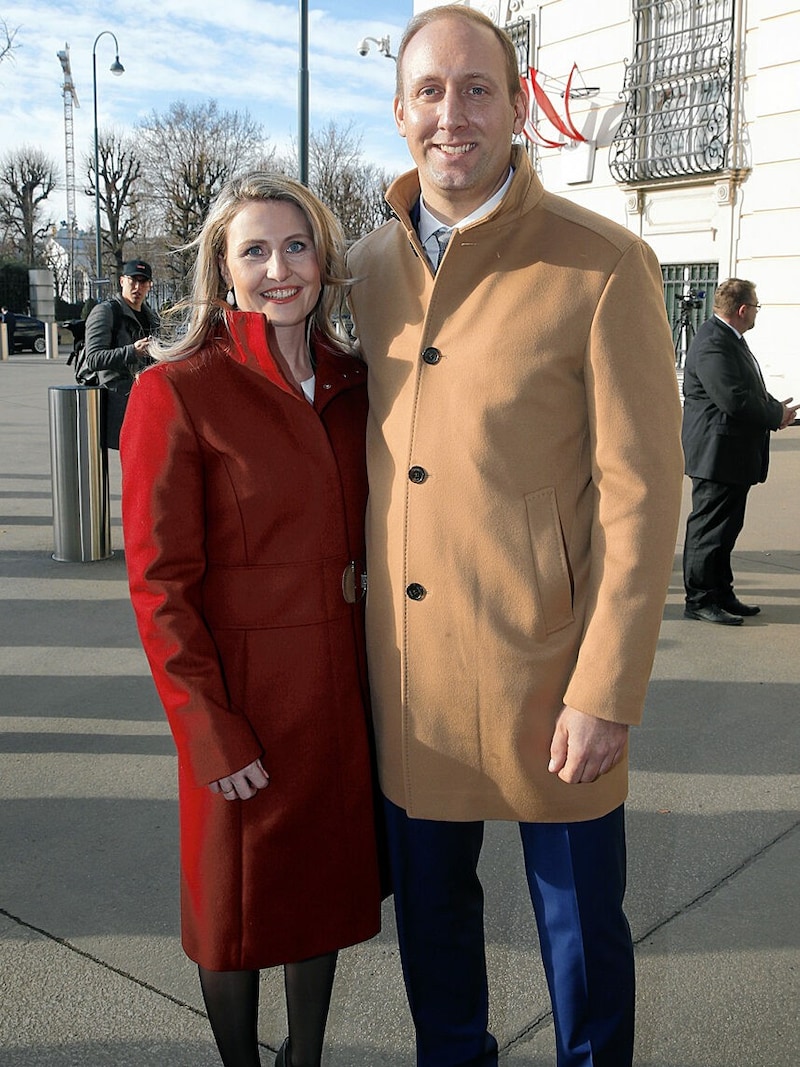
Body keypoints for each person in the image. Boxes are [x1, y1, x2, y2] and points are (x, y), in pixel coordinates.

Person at [346, 7, 685, 1066]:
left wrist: (605, 689)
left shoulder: (602, 263)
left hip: (551, 673)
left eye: (477, 87)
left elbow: (642, 496)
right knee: (434, 937)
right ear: (400, 111)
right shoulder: (361, 267)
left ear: (514, 103)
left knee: (581, 940)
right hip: (412, 680)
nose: (453, 113)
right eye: (431, 91)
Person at [120, 173, 383, 1067]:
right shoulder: (178, 389)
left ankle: (303, 1057)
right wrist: (206, 725)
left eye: (297, 245)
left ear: (324, 258)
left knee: (323, 898)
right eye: (255, 251)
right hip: (241, 697)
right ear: (221, 270)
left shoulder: (355, 382)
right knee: (231, 914)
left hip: (342, 694)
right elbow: (160, 583)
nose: (280, 268)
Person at [681, 278, 797, 625]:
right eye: (756, 307)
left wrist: (776, 406)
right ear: (743, 309)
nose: (757, 312)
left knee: (726, 529)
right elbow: (732, 398)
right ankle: (700, 599)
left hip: (730, 453)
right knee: (709, 531)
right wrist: (775, 415)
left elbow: (746, 388)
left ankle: (721, 592)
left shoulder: (729, 340)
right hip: (716, 453)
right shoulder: (713, 342)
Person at [83, 259, 159, 448]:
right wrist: (132, 351)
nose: (137, 287)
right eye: (132, 280)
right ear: (122, 281)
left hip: (145, 398)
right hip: (117, 400)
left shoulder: (152, 317)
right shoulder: (106, 312)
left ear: (149, 285)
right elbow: (93, 358)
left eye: (143, 282)